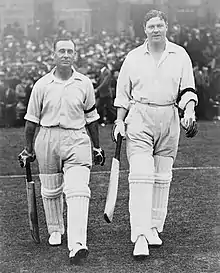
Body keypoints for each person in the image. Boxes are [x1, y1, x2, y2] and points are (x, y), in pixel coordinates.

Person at [112, 10, 198, 258]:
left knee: (162, 178)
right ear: (144, 29)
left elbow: (188, 89)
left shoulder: (179, 54)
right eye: (151, 26)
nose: (156, 29)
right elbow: (122, 94)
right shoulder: (133, 57)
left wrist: (189, 111)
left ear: (167, 26)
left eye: (160, 25)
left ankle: (152, 228)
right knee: (140, 175)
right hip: (140, 117)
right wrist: (119, 121)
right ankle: (139, 235)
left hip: (169, 118)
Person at [18, 37, 105, 265]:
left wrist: (96, 146)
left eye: (70, 51)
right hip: (47, 137)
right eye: (62, 51)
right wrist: (28, 149)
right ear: (54, 55)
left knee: (78, 190)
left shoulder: (84, 83)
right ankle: (55, 229)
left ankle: (78, 244)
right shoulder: (42, 85)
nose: (66, 55)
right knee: (51, 190)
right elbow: (31, 121)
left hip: (77, 138)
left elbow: (92, 118)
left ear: (75, 55)